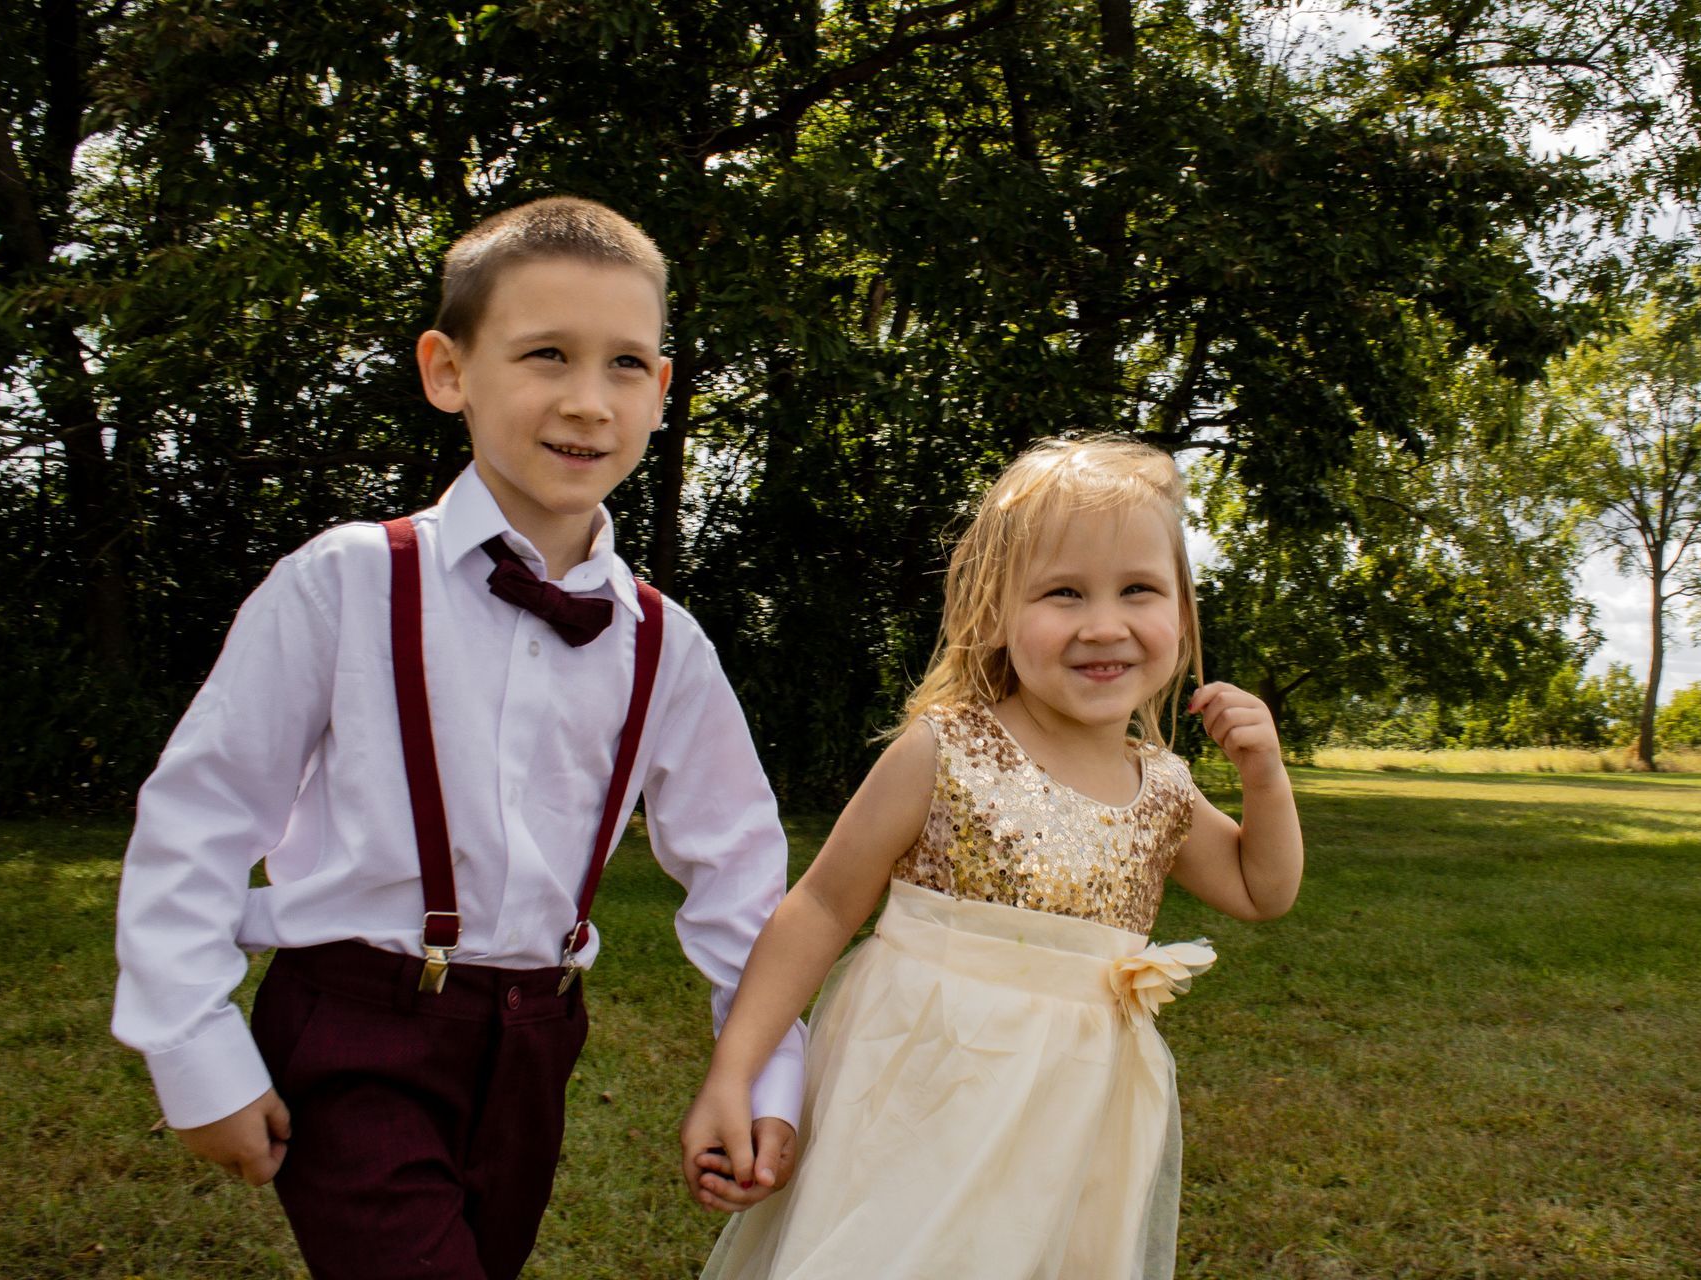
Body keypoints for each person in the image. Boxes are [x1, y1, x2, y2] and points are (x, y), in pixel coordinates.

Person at [111, 196, 803, 1279]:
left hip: (534, 1040)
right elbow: (200, 813)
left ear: (662, 392)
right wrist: (193, 1046)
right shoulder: (347, 580)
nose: (587, 399)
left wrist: (761, 1073)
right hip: (356, 1023)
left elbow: (743, 877)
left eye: (626, 364)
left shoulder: (664, 642)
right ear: (448, 371)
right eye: (545, 354)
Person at [682, 435, 1305, 1278]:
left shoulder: (1161, 787)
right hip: (922, 1085)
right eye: (1063, 593)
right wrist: (737, 1072)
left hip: (1074, 1112)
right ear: (995, 614)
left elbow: (1260, 888)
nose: (1104, 624)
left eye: (1138, 590)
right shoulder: (946, 750)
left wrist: (1264, 775)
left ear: (1182, 615)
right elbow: (824, 906)